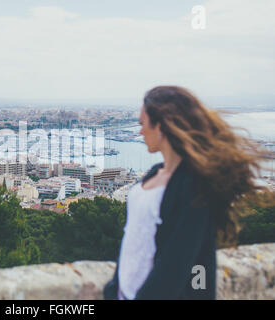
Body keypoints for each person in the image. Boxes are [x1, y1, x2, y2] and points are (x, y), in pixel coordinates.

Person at [103, 86, 274, 300]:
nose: (140, 131)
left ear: (161, 126)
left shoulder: (195, 186)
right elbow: (133, 244)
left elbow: (177, 262)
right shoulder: (154, 174)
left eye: (142, 123)